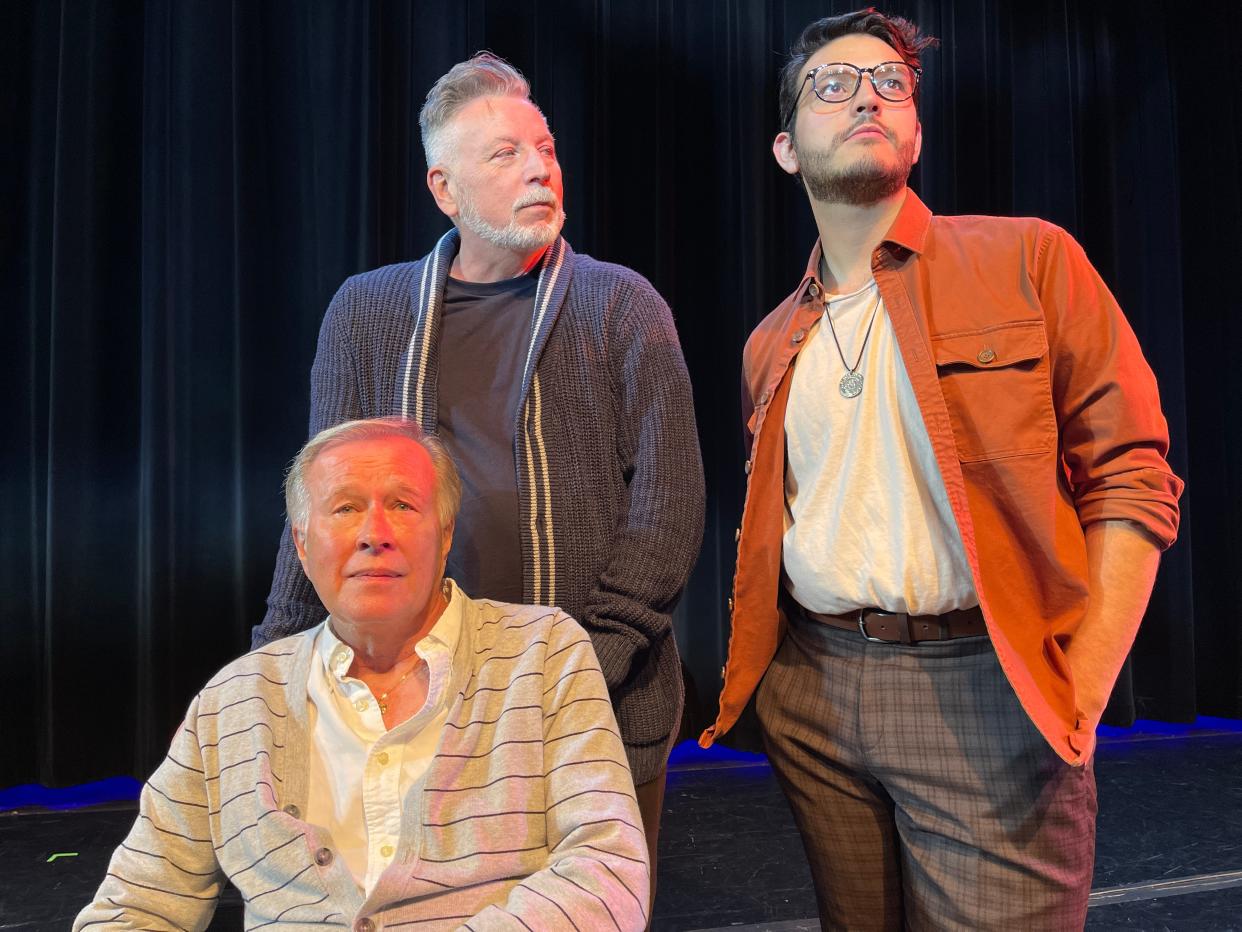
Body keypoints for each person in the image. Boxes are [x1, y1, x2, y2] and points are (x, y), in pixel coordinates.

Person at [700, 9, 1183, 930]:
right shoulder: (772, 343)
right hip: (816, 689)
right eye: (832, 85)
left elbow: (1132, 471)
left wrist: (1078, 688)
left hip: (986, 688)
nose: (866, 97)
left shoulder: (1028, 258)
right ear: (786, 148)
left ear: (916, 130)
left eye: (890, 82)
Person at [253, 52, 703, 881]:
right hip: (407, 708)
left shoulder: (622, 305)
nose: (540, 168)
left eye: (547, 149)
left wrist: (581, 666)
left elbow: (668, 508)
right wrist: (277, 671)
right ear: (445, 189)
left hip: (587, 708)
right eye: (505, 154)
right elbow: (319, 509)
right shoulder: (368, 312)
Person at [75, 418, 650, 930]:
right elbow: (134, 907)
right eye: (346, 507)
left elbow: (608, 871)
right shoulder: (234, 702)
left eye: (403, 505)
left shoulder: (544, 654)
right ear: (302, 545)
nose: (376, 533)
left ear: (445, 534)